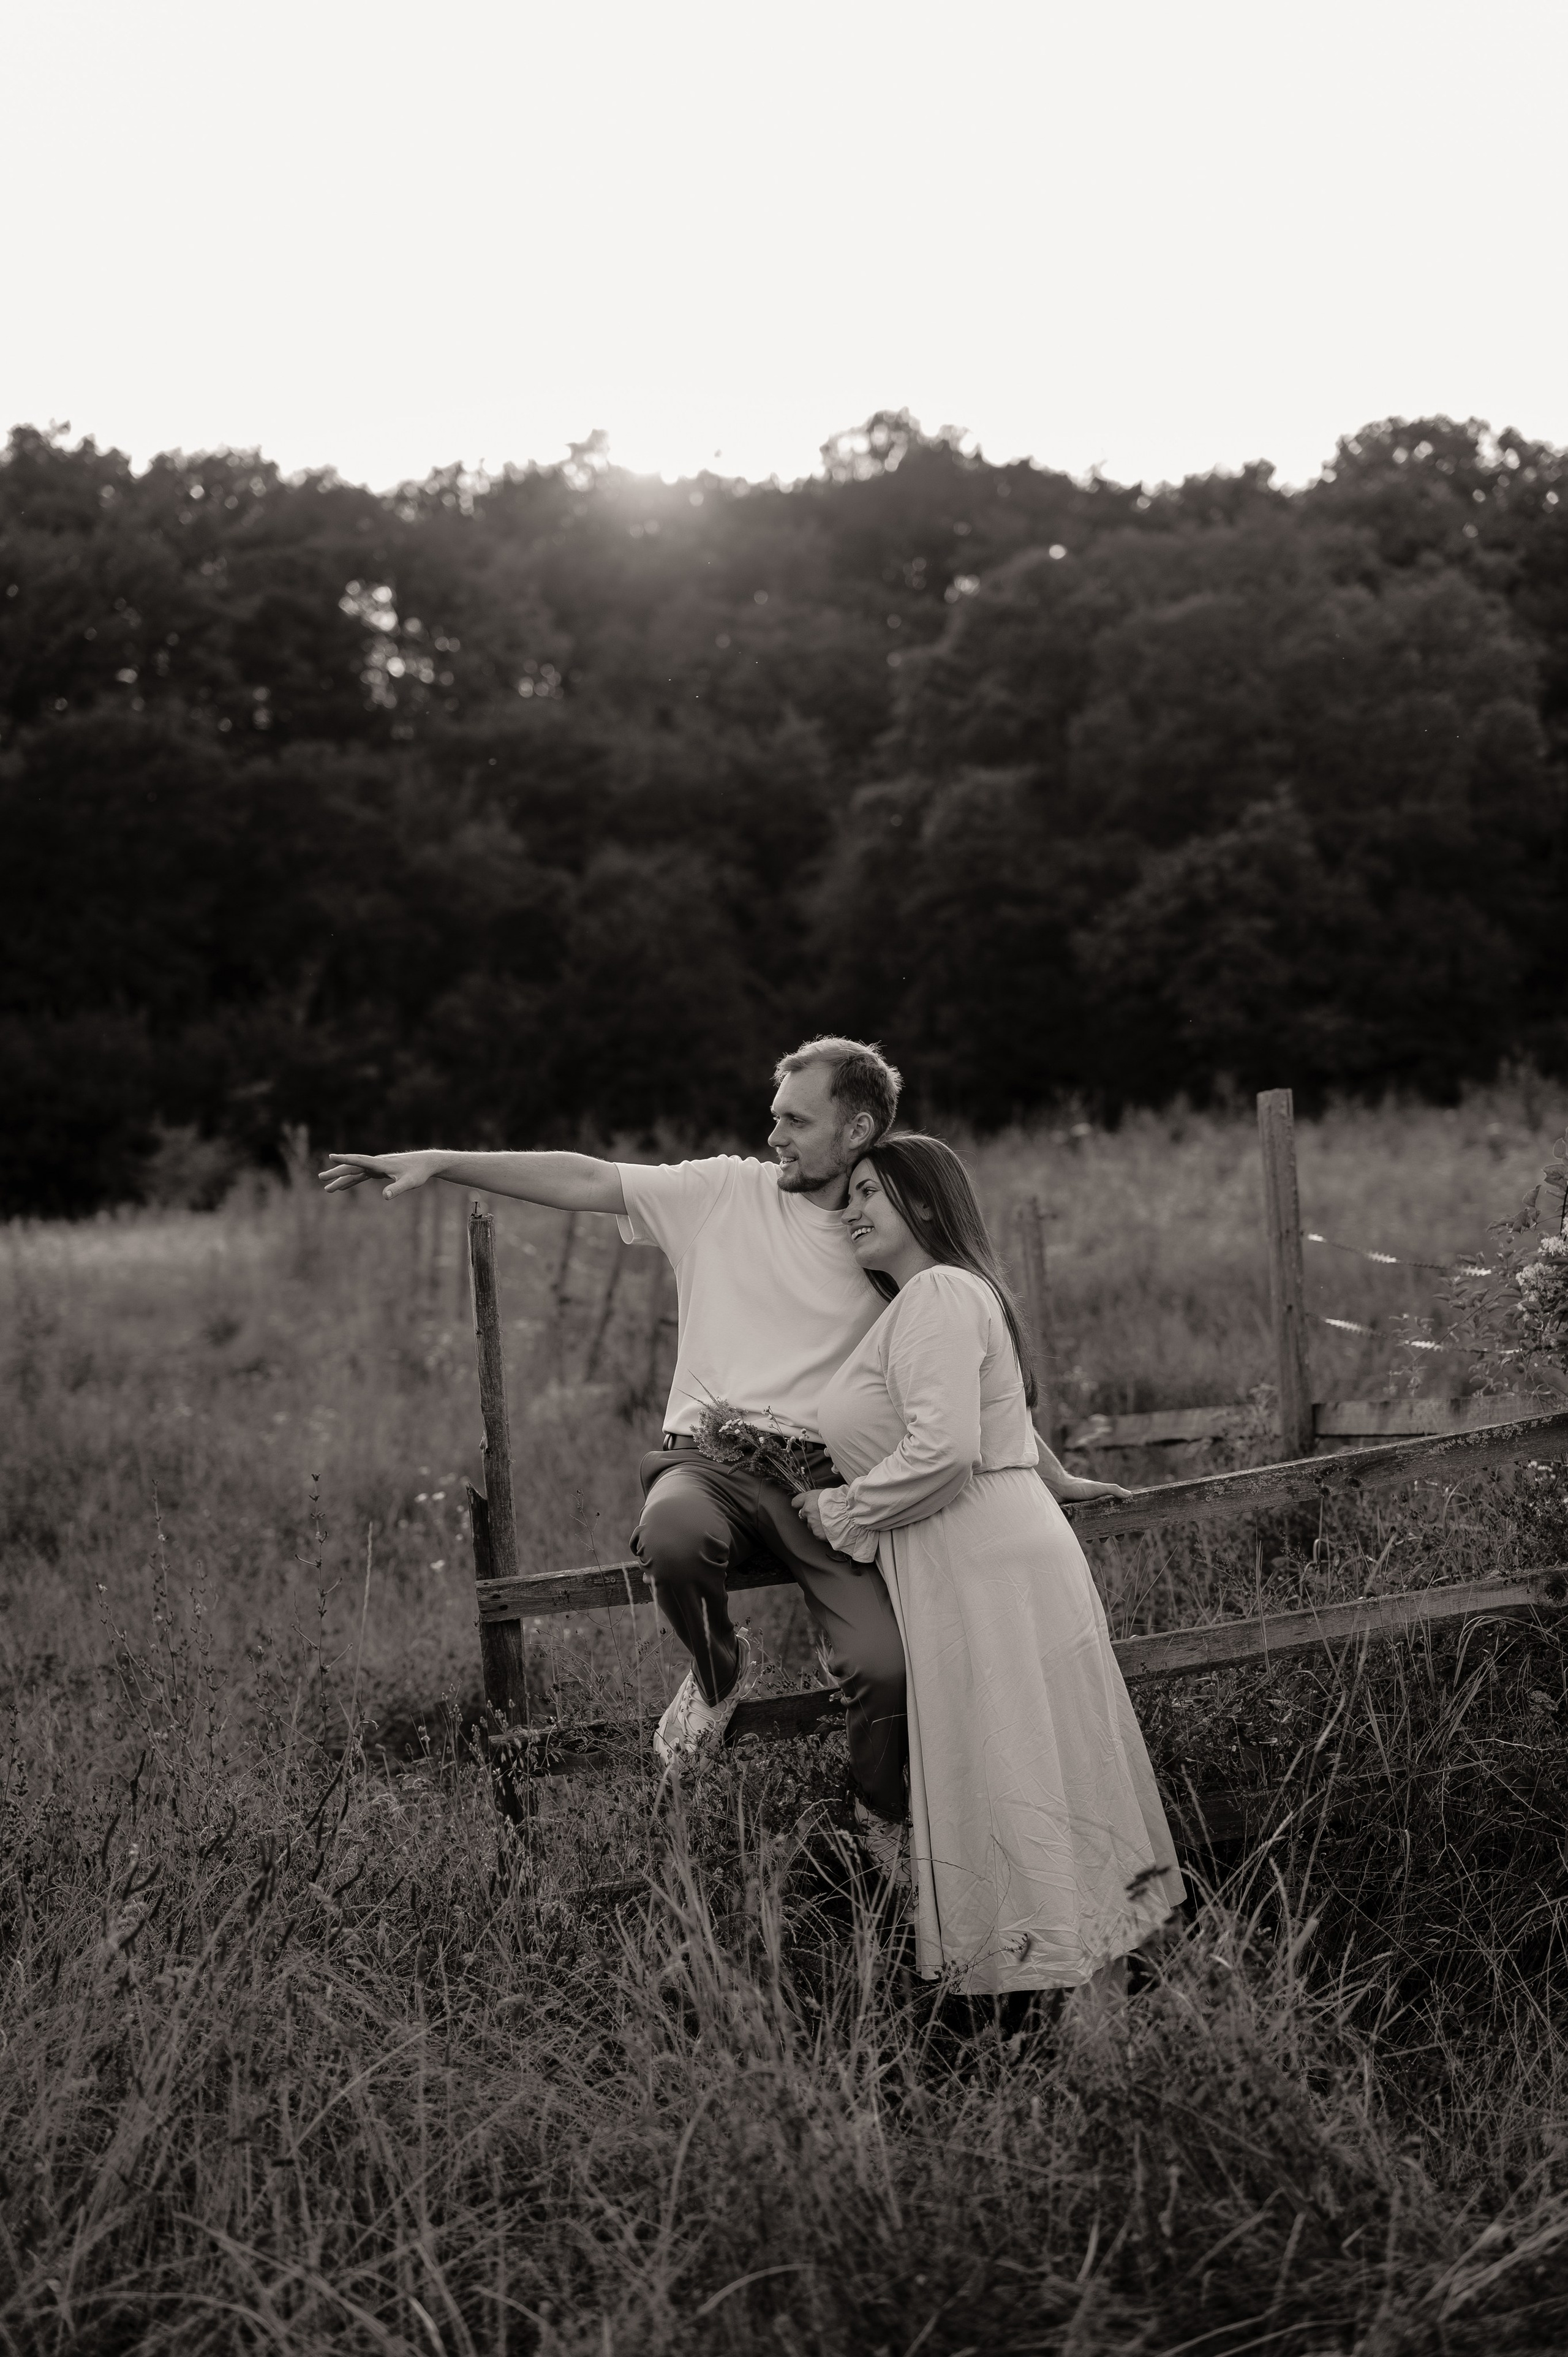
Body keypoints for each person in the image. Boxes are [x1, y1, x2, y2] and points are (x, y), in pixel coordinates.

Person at [793, 1133, 1183, 1995]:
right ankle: (1085, 2003)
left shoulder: (935, 1291)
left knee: (1023, 1767)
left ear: (924, 1205)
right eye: (847, 1198)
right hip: (982, 1547)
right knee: (1040, 1763)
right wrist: (1057, 1473)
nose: (849, 1212)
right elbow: (979, 1408)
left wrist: (840, 1509)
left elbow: (945, 1450)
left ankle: (1081, 2006)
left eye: (868, 1194)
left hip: (976, 1553)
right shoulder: (928, 1301)